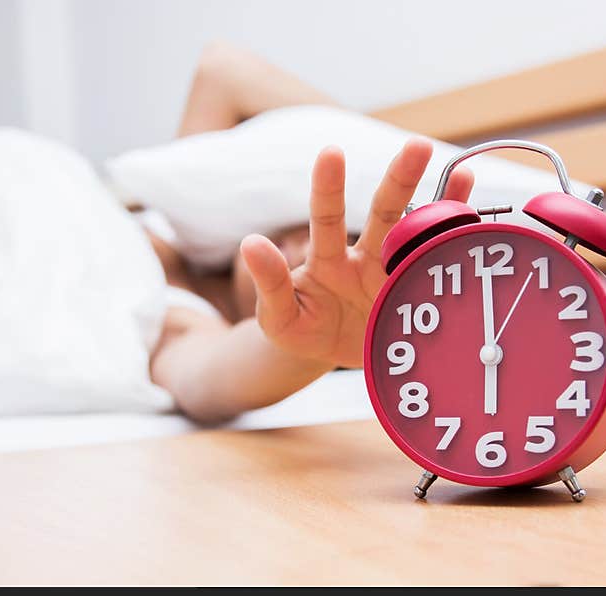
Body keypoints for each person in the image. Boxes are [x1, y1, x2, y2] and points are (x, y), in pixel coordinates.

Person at [145, 43, 474, 422]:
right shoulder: (177, 209)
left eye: (322, 267)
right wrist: (378, 150)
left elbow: (200, 382)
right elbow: (220, 71)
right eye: (324, 236)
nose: (308, 244)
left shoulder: (181, 325)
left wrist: (307, 349)